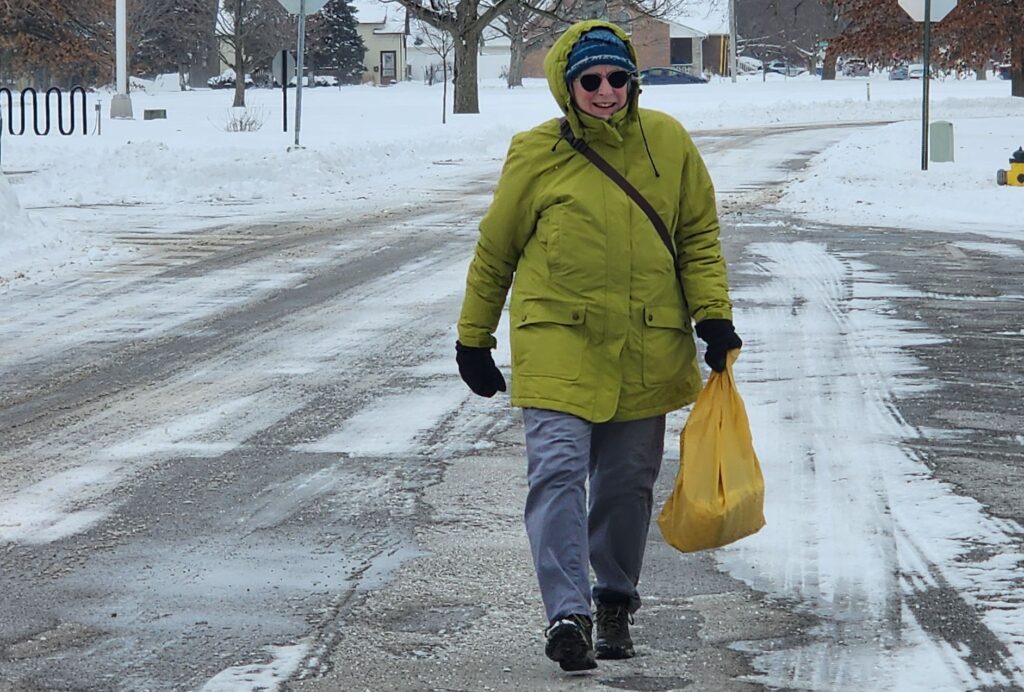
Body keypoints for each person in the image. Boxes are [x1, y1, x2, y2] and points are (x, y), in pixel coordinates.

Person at [455, 20, 741, 672]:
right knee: (557, 474)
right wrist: (474, 338)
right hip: (558, 340)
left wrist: (713, 319)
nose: (606, 90)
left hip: (646, 342)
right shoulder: (536, 153)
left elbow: (697, 238)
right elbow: (496, 251)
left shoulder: (668, 143)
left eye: (618, 78)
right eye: (591, 80)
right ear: (568, 85)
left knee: (624, 486)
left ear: (632, 82)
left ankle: (613, 599)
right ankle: (567, 613)